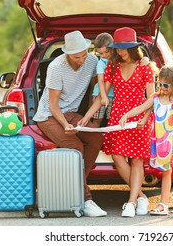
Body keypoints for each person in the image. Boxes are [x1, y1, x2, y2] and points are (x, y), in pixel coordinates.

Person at [79, 27, 156, 217]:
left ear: (133, 47)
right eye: (118, 48)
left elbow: (151, 98)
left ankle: (130, 203)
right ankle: (140, 196)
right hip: (118, 120)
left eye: (124, 48)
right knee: (118, 158)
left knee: (137, 161)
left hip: (137, 120)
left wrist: (140, 116)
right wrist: (86, 118)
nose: (120, 52)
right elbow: (101, 97)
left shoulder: (145, 67)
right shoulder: (112, 67)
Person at [33, 30, 107, 217]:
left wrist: (89, 118)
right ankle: (86, 199)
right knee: (75, 146)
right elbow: (52, 104)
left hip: (72, 113)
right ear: (67, 54)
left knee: (96, 138)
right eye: (76, 57)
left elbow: (95, 89)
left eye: (84, 54)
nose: (82, 59)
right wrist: (65, 124)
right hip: (49, 116)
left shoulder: (91, 61)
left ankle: (75, 185)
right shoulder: (56, 67)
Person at [119, 65, 173, 217]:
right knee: (165, 172)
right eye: (159, 84)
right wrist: (126, 115)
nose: (162, 88)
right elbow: (141, 108)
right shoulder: (156, 98)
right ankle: (163, 204)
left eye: (165, 85)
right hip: (161, 142)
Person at [91, 32, 115, 127]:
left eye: (107, 52)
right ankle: (93, 137)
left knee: (112, 120)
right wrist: (103, 96)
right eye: (101, 53)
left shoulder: (118, 60)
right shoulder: (101, 63)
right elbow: (100, 80)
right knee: (97, 120)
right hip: (99, 94)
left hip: (114, 95)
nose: (104, 55)